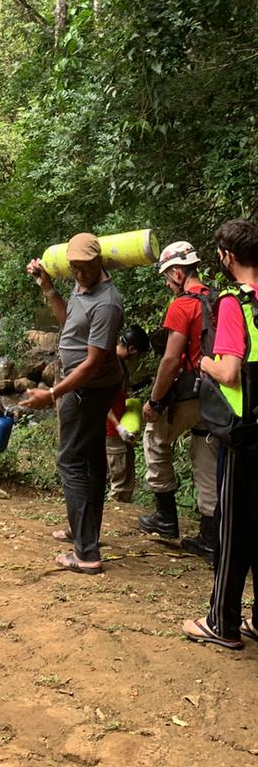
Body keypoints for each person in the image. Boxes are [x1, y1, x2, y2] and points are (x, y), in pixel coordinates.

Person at [24, 233, 124, 574]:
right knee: (92, 459)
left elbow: (93, 361)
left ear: (100, 263)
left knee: (70, 461)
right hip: (82, 388)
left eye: (85, 268)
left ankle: (86, 553)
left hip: (88, 390)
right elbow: (70, 326)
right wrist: (48, 287)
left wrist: (53, 394)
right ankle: (83, 531)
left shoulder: (107, 303)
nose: (79, 274)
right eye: (74, 268)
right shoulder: (82, 288)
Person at [183, 219, 258, 650]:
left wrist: (207, 363)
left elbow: (229, 369)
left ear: (228, 257)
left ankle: (222, 623)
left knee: (233, 528)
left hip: (243, 434)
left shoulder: (235, 303)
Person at [138, 240, 218, 563]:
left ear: (177, 271)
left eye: (167, 277)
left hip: (187, 391)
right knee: (206, 454)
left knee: (154, 437)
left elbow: (171, 360)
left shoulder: (182, 305)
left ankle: (165, 517)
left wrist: (155, 402)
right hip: (216, 394)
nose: (168, 284)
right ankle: (211, 536)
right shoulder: (216, 298)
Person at [106, 324, 150, 503]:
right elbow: (101, 401)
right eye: (138, 354)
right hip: (112, 434)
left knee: (119, 479)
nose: (137, 359)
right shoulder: (111, 366)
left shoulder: (116, 362)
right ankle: (113, 523)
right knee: (120, 488)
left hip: (114, 432)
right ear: (131, 349)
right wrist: (119, 427)